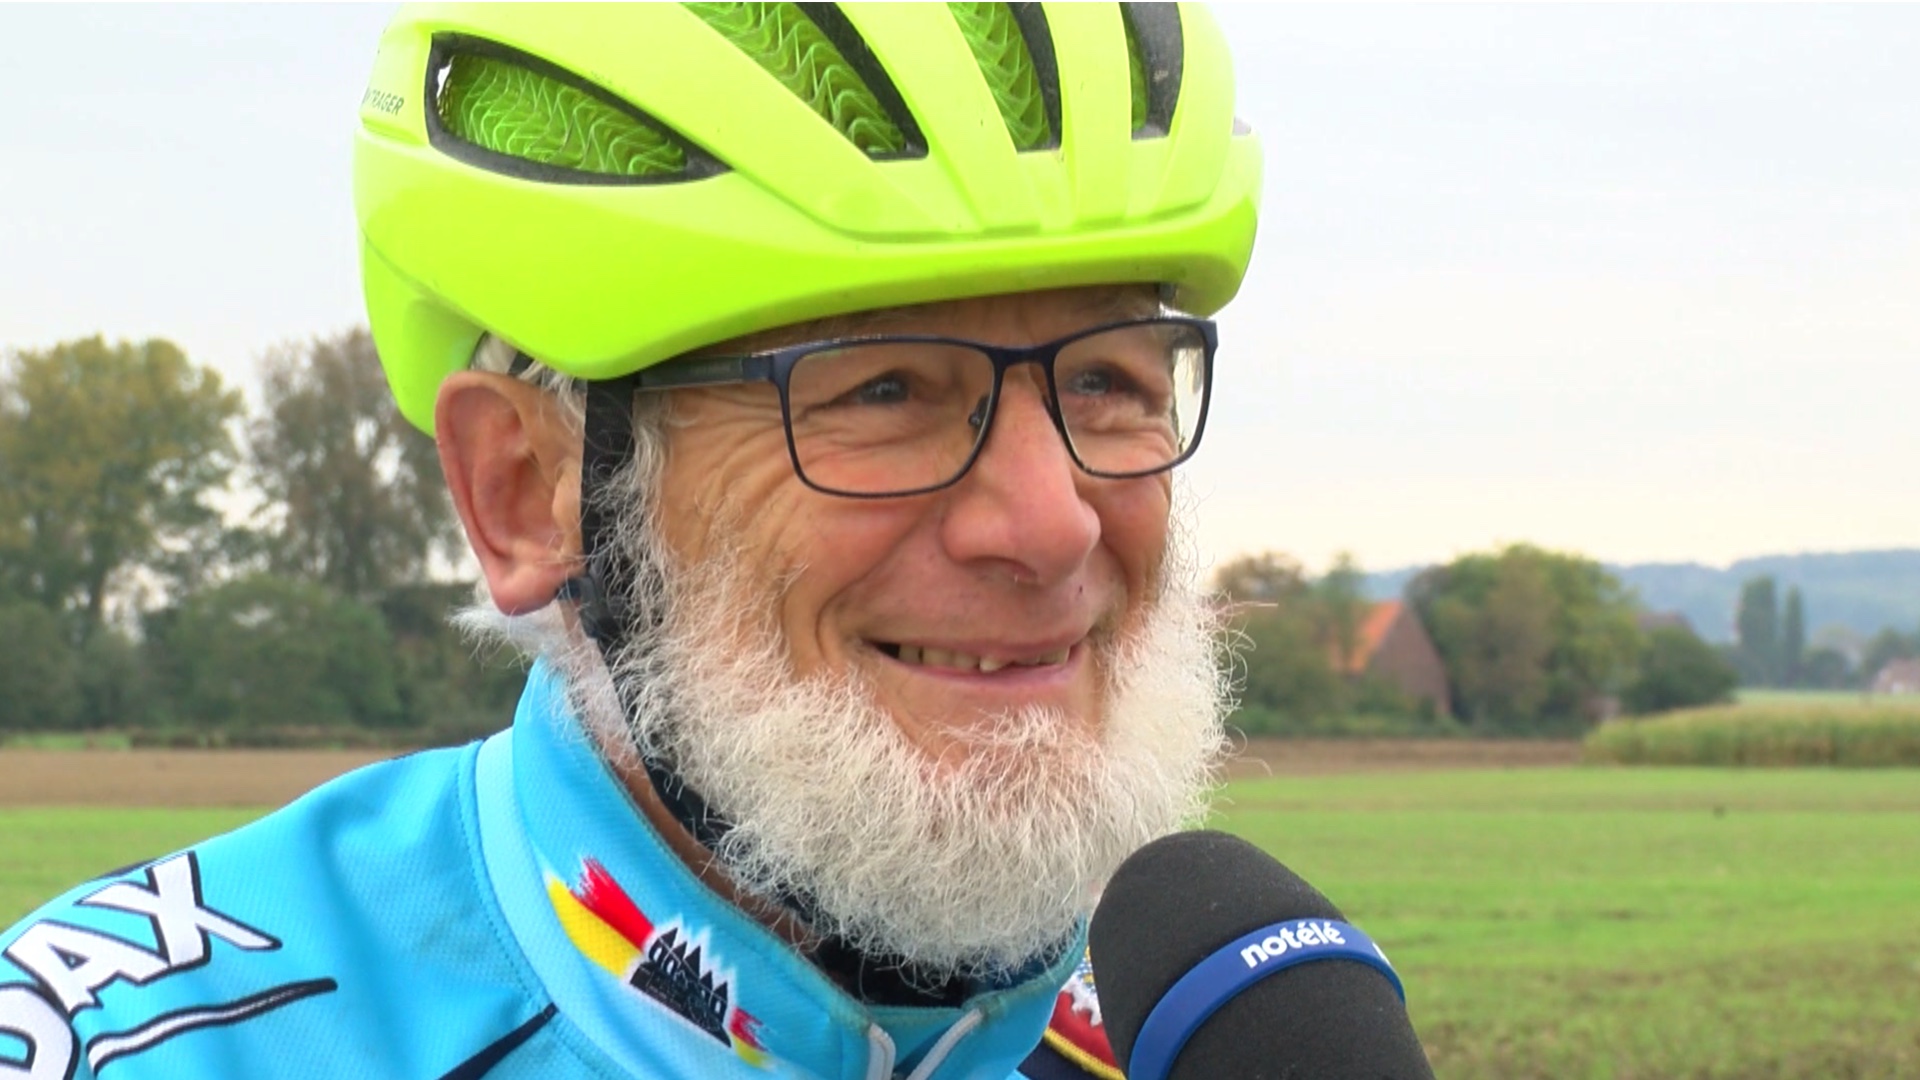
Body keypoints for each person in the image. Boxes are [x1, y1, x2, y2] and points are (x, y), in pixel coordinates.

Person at [0, 4, 1259, 1077]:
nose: (1052, 524)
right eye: (881, 393)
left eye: (1107, 378)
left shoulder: (1218, 1027)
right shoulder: (147, 1047)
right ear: (526, 490)